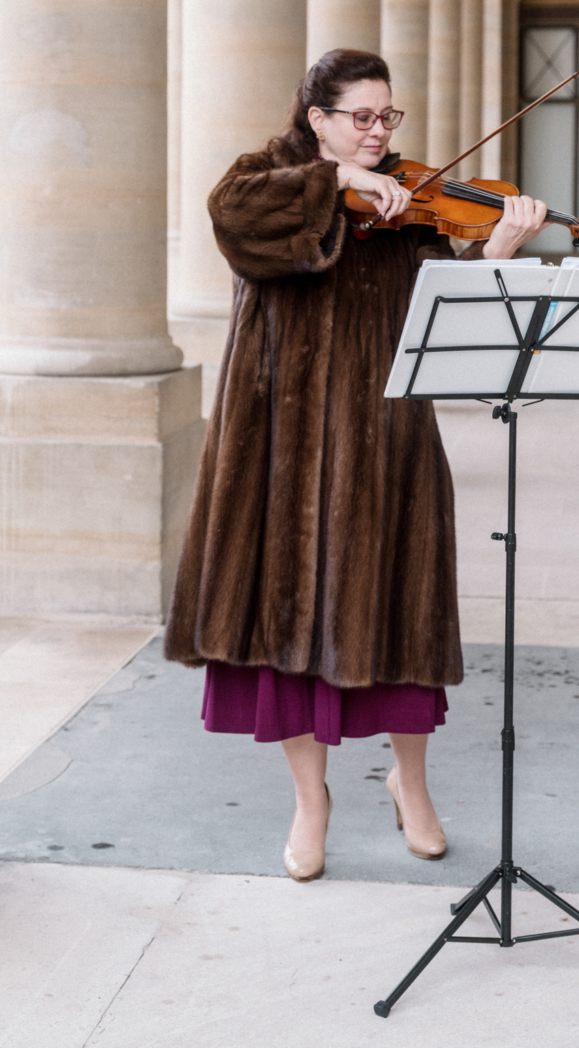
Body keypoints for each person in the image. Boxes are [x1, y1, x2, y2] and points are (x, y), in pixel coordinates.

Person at [164, 50, 548, 882]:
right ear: (317, 119)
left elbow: (441, 311)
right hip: (282, 436)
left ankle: (410, 783)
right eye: (361, 118)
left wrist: (497, 255)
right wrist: (332, 184)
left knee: (398, 609)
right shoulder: (265, 178)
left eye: (386, 117)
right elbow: (235, 222)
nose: (378, 133)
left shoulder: (408, 199)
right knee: (287, 620)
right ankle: (312, 801)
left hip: (386, 433)